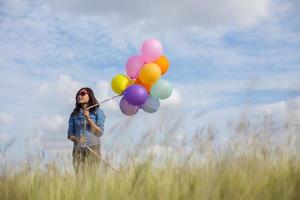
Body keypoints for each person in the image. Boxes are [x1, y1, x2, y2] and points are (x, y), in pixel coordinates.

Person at [67, 87, 106, 175]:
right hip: (78, 149)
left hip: (93, 147)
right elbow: (69, 135)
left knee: (92, 177)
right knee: (80, 177)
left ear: (90, 96)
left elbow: (99, 133)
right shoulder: (74, 114)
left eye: (82, 94)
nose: (79, 96)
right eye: (78, 95)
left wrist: (88, 118)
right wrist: (78, 140)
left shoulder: (98, 112)